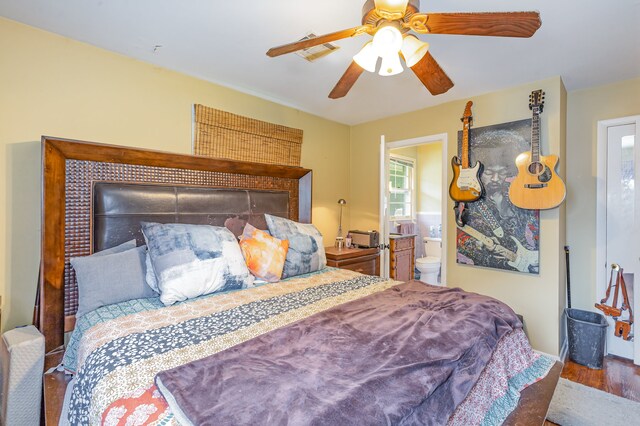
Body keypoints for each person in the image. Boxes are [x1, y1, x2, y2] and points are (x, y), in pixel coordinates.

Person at [456, 129, 540, 273]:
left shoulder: (515, 193)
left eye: (501, 173)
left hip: (524, 261)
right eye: (489, 173)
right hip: (486, 267)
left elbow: (531, 224)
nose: (495, 179)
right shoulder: (471, 199)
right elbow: (460, 233)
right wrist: (477, 245)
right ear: (479, 173)